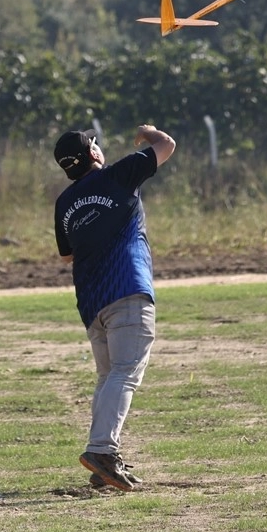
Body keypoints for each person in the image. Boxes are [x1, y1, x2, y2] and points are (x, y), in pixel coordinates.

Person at [53, 123, 176, 492]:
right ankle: (102, 451)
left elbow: (67, 255)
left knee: (109, 377)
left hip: (92, 301)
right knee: (124, 373)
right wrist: (147, 132)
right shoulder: (117, 175)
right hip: (127, 289)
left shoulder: (64, 202)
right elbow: (166, 145)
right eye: (95, 144)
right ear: (93, 153)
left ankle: (104, 462)